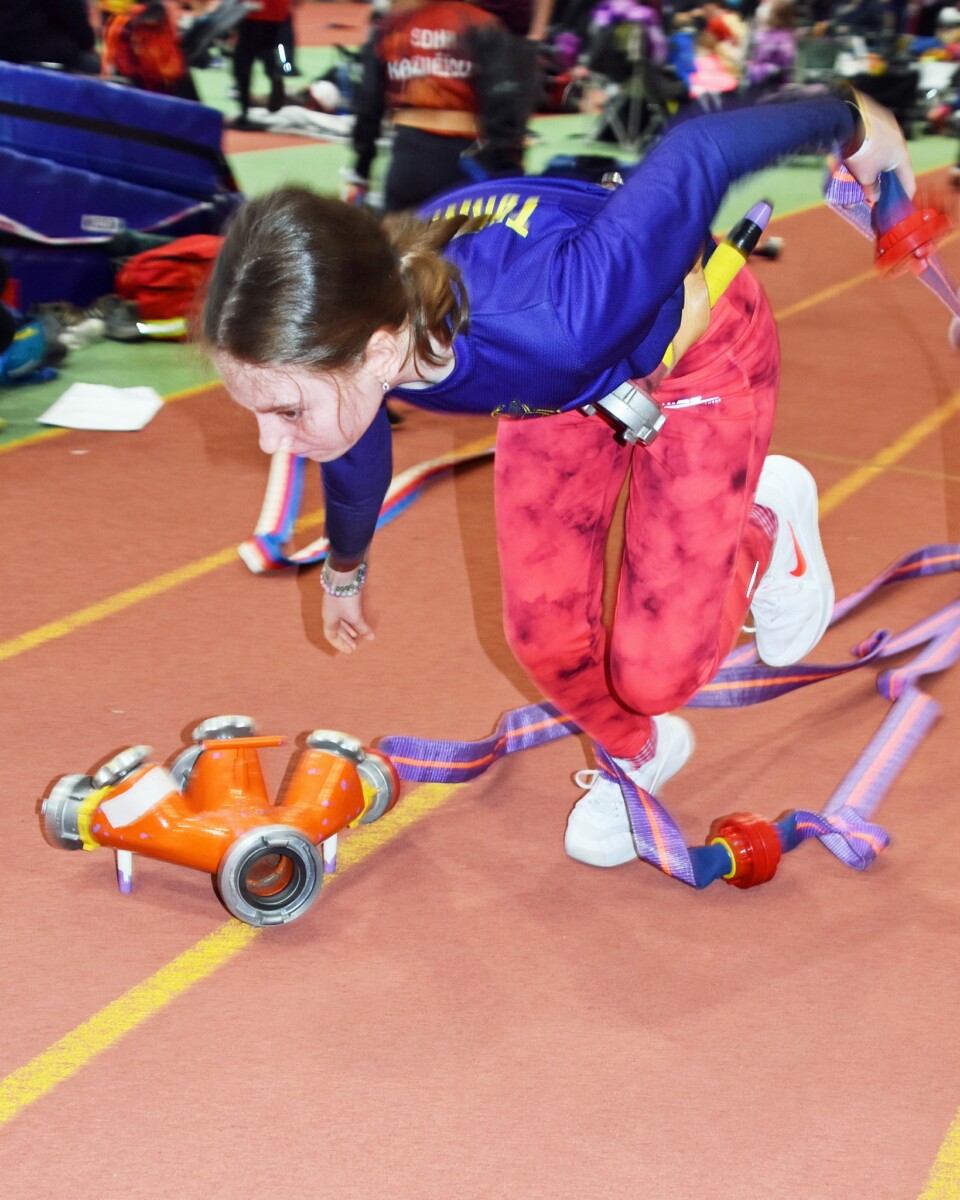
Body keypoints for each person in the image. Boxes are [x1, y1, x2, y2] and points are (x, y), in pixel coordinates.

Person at [198, 86, 916, 871]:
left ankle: (764, 524)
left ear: (376, 352)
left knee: (654, 674)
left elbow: (700, 150)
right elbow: (351, 442)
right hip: (561, 384)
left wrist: (856, 121)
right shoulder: (366, 319)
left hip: (695, 353)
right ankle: (640, 751)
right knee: (543, 632)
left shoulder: (555, 317)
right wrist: (345, 568)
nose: (271, 441)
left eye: (286, 410)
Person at [346, 0, 537, 213]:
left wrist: (360, 170)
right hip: (461, 160)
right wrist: (507, 167)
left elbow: (368, 106)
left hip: (406, 160)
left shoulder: (391, 29)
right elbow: (502, 102)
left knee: (399, 232)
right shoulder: (483, 24)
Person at [0, 0, 100, 73]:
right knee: (98, 67)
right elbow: (73, 17)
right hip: (44, 53)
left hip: (6, 51)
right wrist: (88, 42)